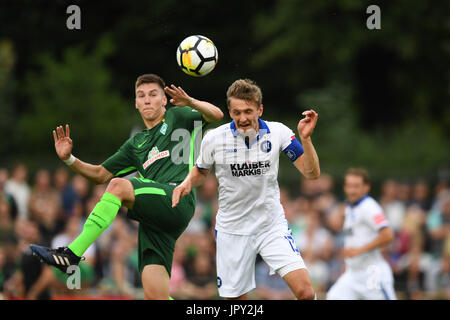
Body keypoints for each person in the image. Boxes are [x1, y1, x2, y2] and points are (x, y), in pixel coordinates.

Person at [30, 73, 223, 299]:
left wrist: (190, 101)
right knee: (155, 295)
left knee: (119, 186)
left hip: (178, 196)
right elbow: (99, 174)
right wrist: (69, 159)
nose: (147, 99)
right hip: (155, 217)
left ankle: (72, 254)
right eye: (141, 96)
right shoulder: (135, 144)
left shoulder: (178, 115)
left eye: (153, 95)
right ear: (136, 103)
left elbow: (216, 114)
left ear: (164, 100)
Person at [172, 79, 320, 300]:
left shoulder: (278, 132)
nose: (242, 118)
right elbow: (201, 171)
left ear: (260, 109)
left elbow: (311, 173)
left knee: (306, 293)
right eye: (236, 112)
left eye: (248, 111)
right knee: (237, 302)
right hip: (232, 230)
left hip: (271, 225)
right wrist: (187, 183)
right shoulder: (214, 138)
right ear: (230, 111)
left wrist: (305, 139)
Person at [326, 168, 396, 300]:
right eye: (349, 186)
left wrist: (359, 251)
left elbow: (388, 235)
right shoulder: (349, 207)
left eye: (356, 186)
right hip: (352, 274)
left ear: (366, 187)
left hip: (372, 273)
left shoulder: (369, 207)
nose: (352, 190)